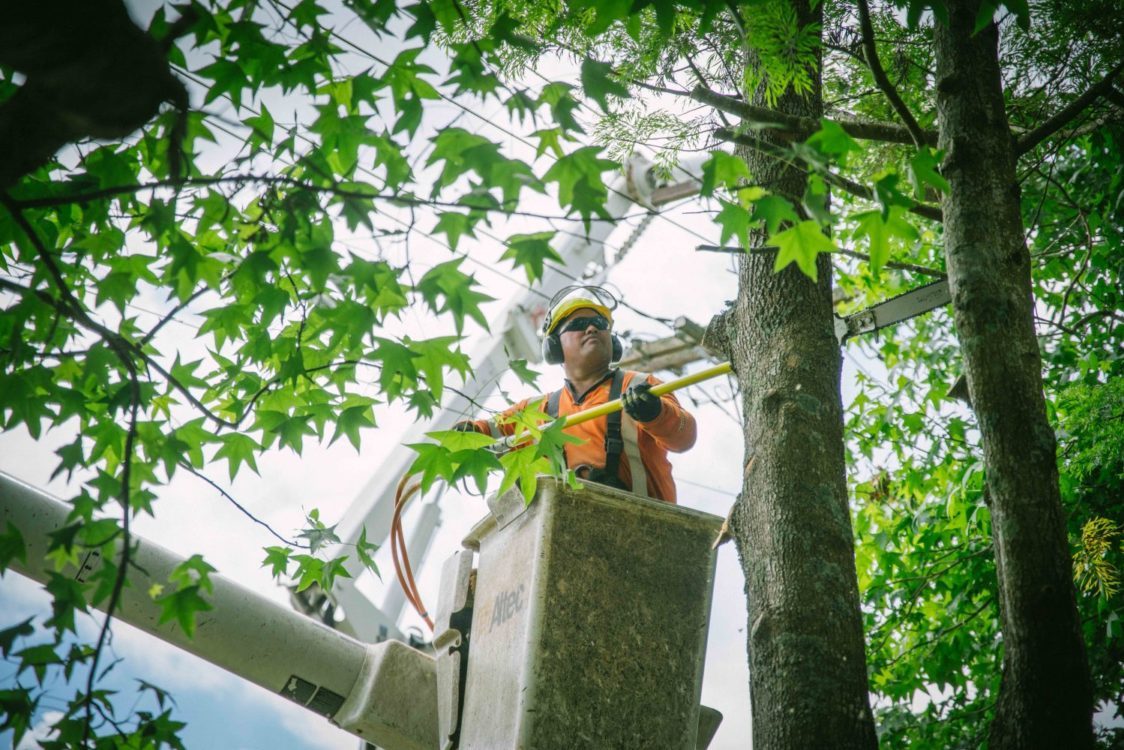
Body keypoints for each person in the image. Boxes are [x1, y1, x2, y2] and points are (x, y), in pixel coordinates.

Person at [457, 286, 696, 503]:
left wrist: (656, 413)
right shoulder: (535, 411)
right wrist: (467, 432)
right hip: (566, 534)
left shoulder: (639, 386)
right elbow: (484, 435)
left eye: (600, 324)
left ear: (612, 340)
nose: (592, 328)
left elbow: (685, 436)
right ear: (554, 347)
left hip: (643, 528)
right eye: (578, 325)